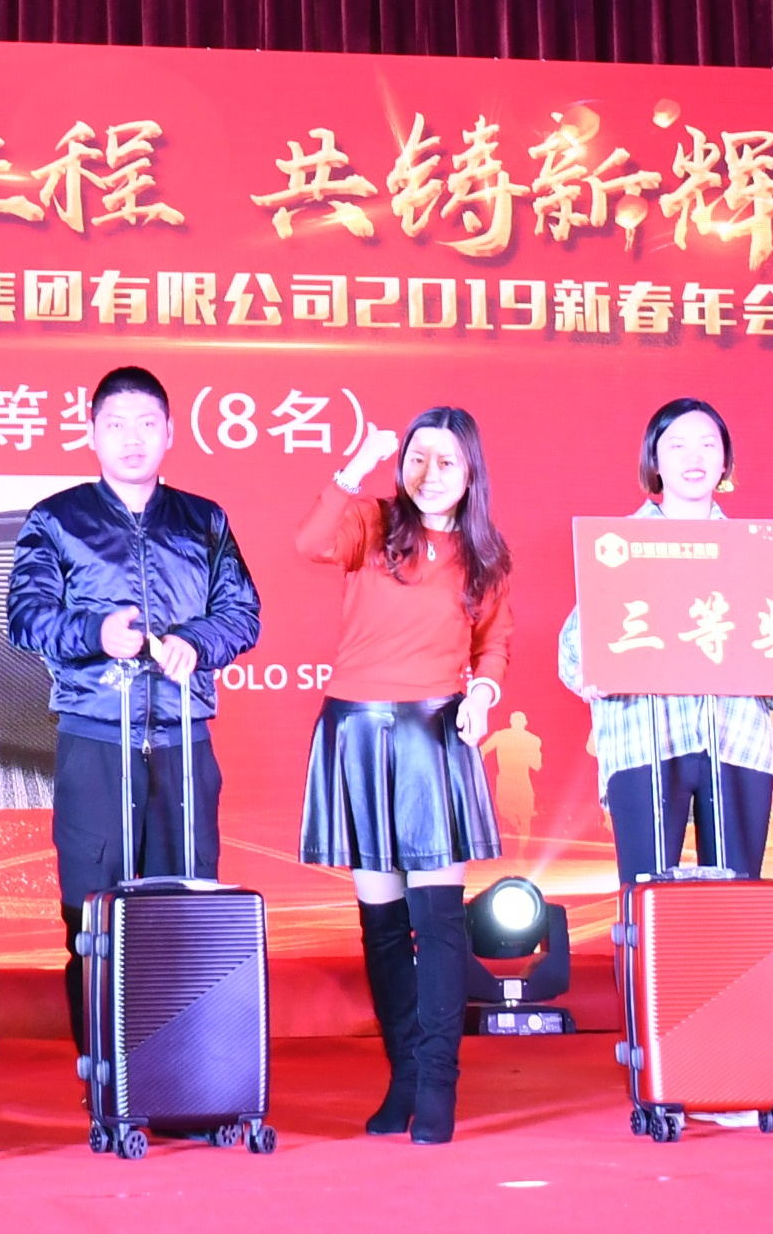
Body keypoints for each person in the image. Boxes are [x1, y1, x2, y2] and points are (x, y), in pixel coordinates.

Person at [554, 397, 773, 1128]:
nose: (694, 457)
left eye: (708, 444)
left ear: (726, 462)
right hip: (642, 743)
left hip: (735, 741)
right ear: (653, 459)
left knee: (737, 904)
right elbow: (575, 653)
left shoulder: (761, 554)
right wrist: (595, 671)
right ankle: (658, 1066)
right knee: (645, 904)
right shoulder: (619, 547)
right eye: (678, 444)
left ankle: (732, 1065)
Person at [9, 366, 263, 1054]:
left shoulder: (203, 519)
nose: (131, 438)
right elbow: (26, 615)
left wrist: (195, 641)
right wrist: (94, 632)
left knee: (184, 904)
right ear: (90, 432)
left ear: (170, 433)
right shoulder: (57, 519)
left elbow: (241, 612)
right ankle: (103, 1070)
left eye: (146, 424)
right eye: (115, 425)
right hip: (95, 736)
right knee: (91, 911)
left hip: (183, 739)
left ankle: (183, 1068)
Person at [294, 408, 512, 1145]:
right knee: (382, 925)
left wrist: (482, 695)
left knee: (437, 921)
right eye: (417, 457)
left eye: (447, 460)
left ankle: (439, 1084)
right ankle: (404, 1079)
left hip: (431, 732)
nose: (430, 473)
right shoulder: (372, 522)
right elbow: (309, 542)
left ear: (471, 470)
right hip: (356, 729)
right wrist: (354, 465)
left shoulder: (483, 553)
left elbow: (493, 644)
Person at [478, 713, 542, 840]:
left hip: (522, 782)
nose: (517, 723)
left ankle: (523, 848)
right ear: (511, 722)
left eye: (520, 721)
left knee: (525, 818)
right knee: (505, 811)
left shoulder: (532, 740)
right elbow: (483, 749)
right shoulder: (500, 736)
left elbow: (537, 765)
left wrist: (528, 755)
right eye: (515, 720)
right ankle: (516, 826)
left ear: (525, 723)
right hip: (505, 781)